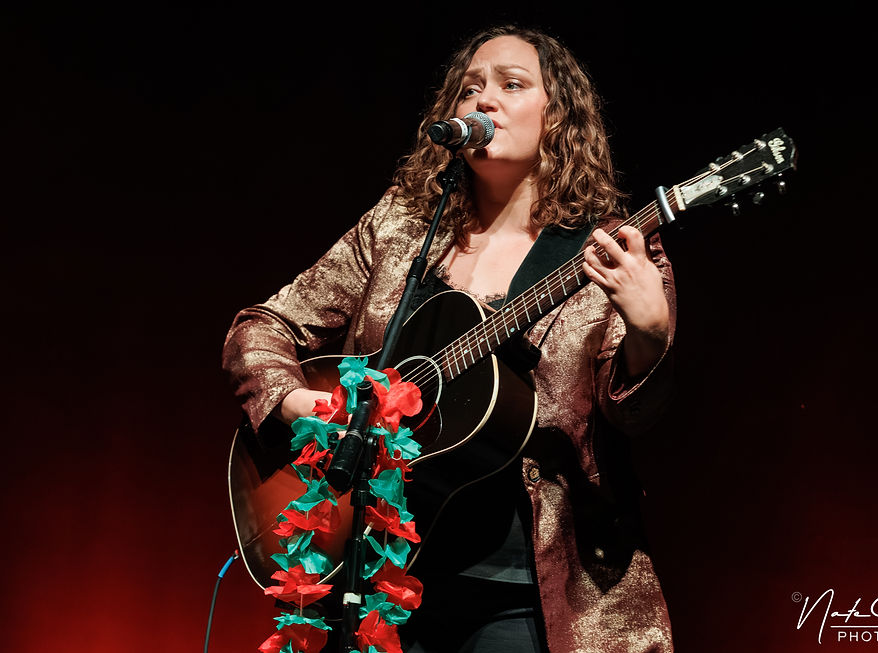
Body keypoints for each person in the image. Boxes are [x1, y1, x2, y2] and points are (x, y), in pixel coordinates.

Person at [222, 24, 676, 653]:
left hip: (528, 590)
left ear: (559, 114)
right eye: (469, 89)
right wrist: (298, 403)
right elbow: (260, 327)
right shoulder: (400, 229)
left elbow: (635, 417)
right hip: (381, 573)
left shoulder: (614, 250)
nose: (483, 100)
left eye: (511, 85)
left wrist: (650, 334)